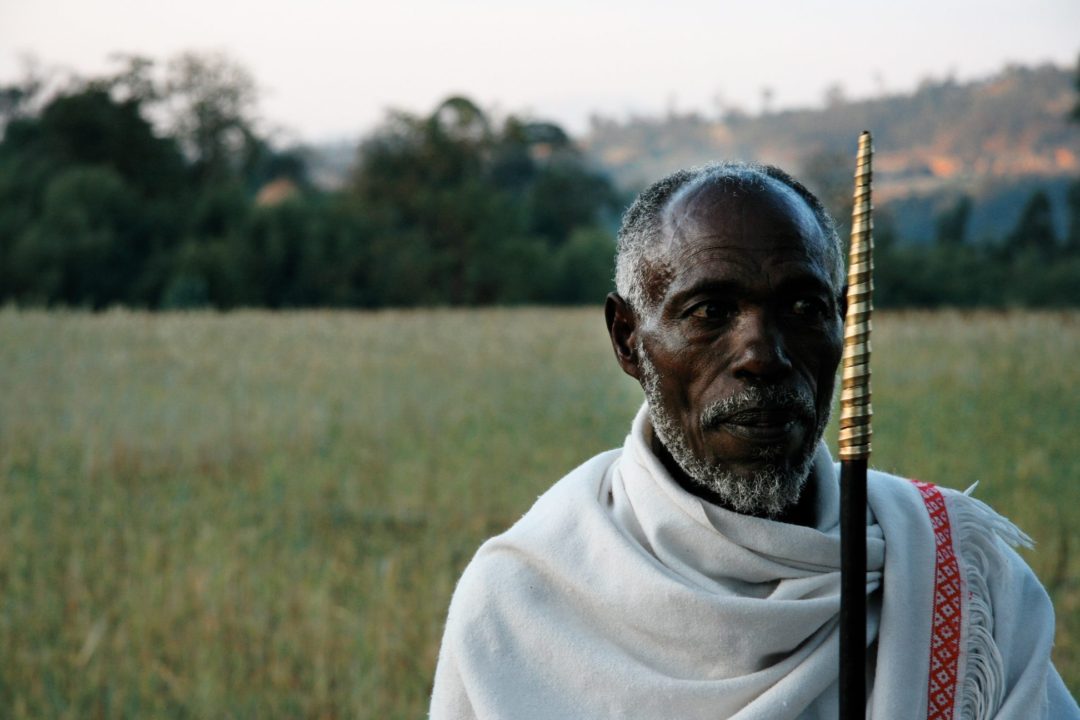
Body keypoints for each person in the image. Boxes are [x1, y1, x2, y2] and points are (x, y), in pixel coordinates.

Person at [429, 163, 1078, 719]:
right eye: (709, 311)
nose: (762, 357)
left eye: (803, 310)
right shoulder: (524, 600)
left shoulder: (959, 581)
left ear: (845, 325)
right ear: (627, 339)